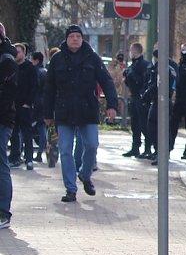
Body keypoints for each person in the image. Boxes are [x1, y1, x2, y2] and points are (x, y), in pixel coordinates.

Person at [43, 25, 118, 202]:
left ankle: (85, 174)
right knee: (66, 150)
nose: (75, 39)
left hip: (87, 110)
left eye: (78, 36)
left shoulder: (92, 58)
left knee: (91, 145)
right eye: (72, 37)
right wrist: (47, 113)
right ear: (67, 39)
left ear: (82, 39)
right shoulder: (58, 59)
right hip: (64, 111)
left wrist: (112, 105)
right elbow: (49, 88)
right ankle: (70, 189)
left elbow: (106, 81)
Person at [142, 49, 176, 165]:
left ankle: (161, 153)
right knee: (160, 127)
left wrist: (146, 95)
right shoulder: (169, 68)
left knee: (156, 128)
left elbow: (156, 85)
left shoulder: (162, 69)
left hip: (160, 101)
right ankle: (161, 152)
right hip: (162, 101)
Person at [9, 43, 38, 170]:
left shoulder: (30, 68)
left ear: (24, 53)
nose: (16, 54)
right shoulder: (11, 67)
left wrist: (28, 102)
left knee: (27, 133)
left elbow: (34, 87)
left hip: (25, 106)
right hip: (12, 105)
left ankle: (29, 158)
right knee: (13, 133)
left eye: (18, 52)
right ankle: (15, 157)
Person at [0, 25, 18, 229]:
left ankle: (3, 212)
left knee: (1, 165)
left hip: (2, 120)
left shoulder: (6, 61)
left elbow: (8, 94)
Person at [122, 43, 151, 158]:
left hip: (141, 97)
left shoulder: (144, 65)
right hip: (133, 97)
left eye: (131, 50)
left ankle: (147, 148)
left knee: (143, 123)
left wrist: (132, 75)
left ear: (135, 51)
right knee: (135, 124)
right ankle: (135, 147)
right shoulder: (132, 65)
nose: (130, 53)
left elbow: (143, 81)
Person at [30, 51, 48, 163]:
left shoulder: (35, 72)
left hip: (36, 103)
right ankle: (41, 152)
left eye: (32, 59)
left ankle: (33, 153)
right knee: (42, 128)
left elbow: (34, 88)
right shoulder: (46, 71)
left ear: (36, 60)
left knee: (28, 127)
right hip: (46, 103)